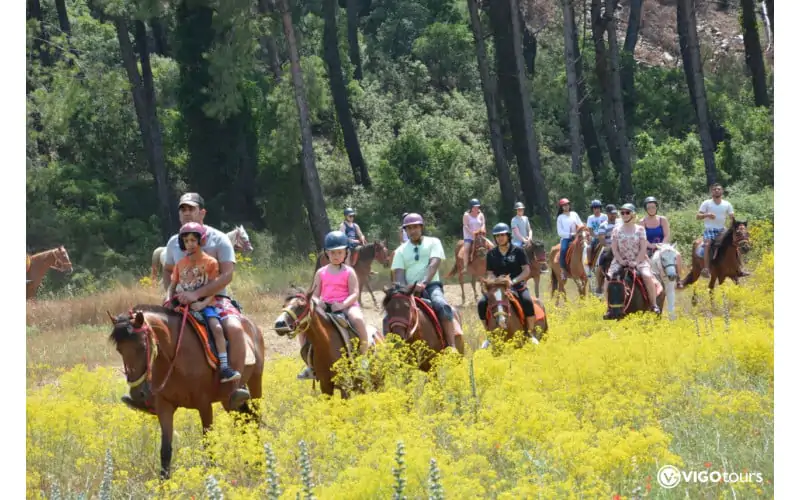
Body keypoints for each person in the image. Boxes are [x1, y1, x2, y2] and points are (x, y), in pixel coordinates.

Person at [122, 192, 251, 414]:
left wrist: (197, 294)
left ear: (202, 212)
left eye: (191, 208)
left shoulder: (219, 239)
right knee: (151, 334)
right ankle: (151, 393)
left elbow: (227, 275)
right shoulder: (174, 242)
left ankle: (233, 387)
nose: (187, 213)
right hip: (180, 300)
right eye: (183, 209)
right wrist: (169, 296)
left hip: (216, 299)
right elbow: (168, 271)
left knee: (234, 328)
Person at [168, 222, 241, 383]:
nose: (190, 244)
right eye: (186, 241)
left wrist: (202, 304)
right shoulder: (179, 264)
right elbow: (172, 286)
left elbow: (214, 287)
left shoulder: (211, 262)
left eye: (193, 240)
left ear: (201, 241)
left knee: (217, 328)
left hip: (205, 304)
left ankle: (224, 367)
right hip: (181, 305)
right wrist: (168, 300)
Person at [297, 231, 372, 380]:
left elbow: (354, 293)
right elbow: (315, 294)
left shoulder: (349, 271)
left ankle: (363, 357)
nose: (336, 256)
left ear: (346, 253)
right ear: (327, 253)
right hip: (325, 307)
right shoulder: (321, 272)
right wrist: (319, 302)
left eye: (339, 252)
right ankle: (310, 364)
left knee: (357, 320)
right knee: (302, 327)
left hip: (347, 305)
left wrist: (342, 304)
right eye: (332, 253)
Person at [390, 213, 463, 350]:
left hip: (431, 286)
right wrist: (405, 289)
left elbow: (434, 264)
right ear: (405, 231)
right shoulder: (400, 251)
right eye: (409, 228)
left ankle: (451, 346)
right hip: (408, 291)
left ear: (421, 227)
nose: (412, 231)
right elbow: (399, 275)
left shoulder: (433, 242)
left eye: (415, 227)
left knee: (441, 305)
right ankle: (391, 350)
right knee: (390, 314)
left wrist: (423, 283)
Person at [478, 223, 539, 337]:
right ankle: (489, 334)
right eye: (497, 236)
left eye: (502, 235)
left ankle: (530, 332)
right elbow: (490, 273)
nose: (500, 238)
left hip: (517, 285)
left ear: (508, 236)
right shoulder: (491, 254)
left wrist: (513, 281)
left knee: (527, 301)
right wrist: (494, 281)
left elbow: (526, 270)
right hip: (498, 288)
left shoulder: (518, 251)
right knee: (481, 303)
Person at [605, 203, 661, 315]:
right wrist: (621, 261)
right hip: (620, 261)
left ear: (633, 214)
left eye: (627, 212)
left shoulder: (640, 229)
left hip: (639, 260)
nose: (625, 215)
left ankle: (653, 304)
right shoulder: (616, 230)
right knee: (608, 279)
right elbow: (614, 249)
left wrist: (636, 262)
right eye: (622, 213)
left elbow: (643, 248)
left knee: (647, 276)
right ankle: (609, 307)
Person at [697, 183, 735, 278]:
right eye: (714, 189)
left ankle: (738, 267)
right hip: (710, 229)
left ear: (722, 191)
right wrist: (707, 215)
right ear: (711, 192)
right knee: (707, 244)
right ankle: (706, 269)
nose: (717, 191)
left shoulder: (727, 204)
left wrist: (732, 226)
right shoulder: (706, 203)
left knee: (734, 242)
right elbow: (698, 216)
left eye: (718, 189)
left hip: (722, 230)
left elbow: (732, 217)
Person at [595, 204, 622, 294]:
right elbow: (602, 240)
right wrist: (611, 247)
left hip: (622, 248)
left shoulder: (621, 222)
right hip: (608, 248)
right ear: (607, 214)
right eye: (611, 214)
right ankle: (599, 286)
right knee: (600, 264)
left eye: (615, 213)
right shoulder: (603, 225)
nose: (613, 215)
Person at [556, 198, 583, 281]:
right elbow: (560, 232)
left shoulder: (574, 214)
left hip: (578, 236)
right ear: (561, 207)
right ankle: (563, 270)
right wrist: (570, 234)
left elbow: (580, 224)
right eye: (564, 205)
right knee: (563, 250)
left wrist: (581, 230)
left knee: (586, 246)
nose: (566, 206)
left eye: (567, 204)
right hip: (566, 238)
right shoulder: (560, 217)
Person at [461, 199, 493, 269]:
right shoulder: (466, 215)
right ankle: (465, 267)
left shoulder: (481, 214)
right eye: (475, 207)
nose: (477, 208)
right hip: (469, 236)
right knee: (466, 249)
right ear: (471, 207)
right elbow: (465, 226)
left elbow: (483, 223)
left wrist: (482, 229)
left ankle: (492, 264)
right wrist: (472, 233)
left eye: (477, 207)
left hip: (479, 236)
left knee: (491, 246)